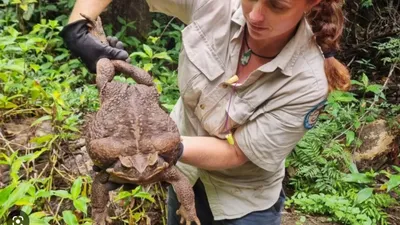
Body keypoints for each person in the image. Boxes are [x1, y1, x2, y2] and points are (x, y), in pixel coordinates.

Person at [60, 0, 351, 224]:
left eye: (277, 5)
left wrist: (155, 149)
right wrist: (78, 30)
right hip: (183, 175)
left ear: (311, 3)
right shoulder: (218, 5)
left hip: (242, 203)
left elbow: (238, 152)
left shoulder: (308, 82)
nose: (255, 15)